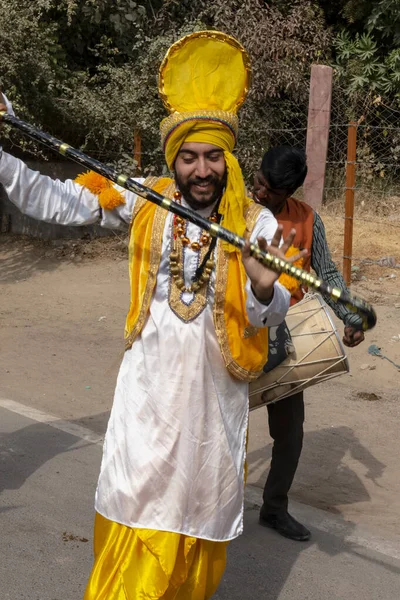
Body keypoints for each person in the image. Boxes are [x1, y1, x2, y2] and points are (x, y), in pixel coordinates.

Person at [0, 33, 305, 599]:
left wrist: (265, 291)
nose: (202, 169)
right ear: (175, 160)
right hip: (146, 404)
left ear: (227, 158)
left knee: (194, 523)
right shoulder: (145, 199)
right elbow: (58, 201)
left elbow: (269, 315)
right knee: (136, 516)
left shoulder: (257, 226)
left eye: (213, 156)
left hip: (212, 410)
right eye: (190, 157)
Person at [253, 145, 365, 542]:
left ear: (291, 192)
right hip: (237, 329)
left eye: (270, 191)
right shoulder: (235, 211)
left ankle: (274, 508)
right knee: (223, 424)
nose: (260, 194)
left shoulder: (306, 219)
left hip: (287, 337)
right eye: (259, 183)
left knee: (290, 432)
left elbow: (327, 272)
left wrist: (351, 317)